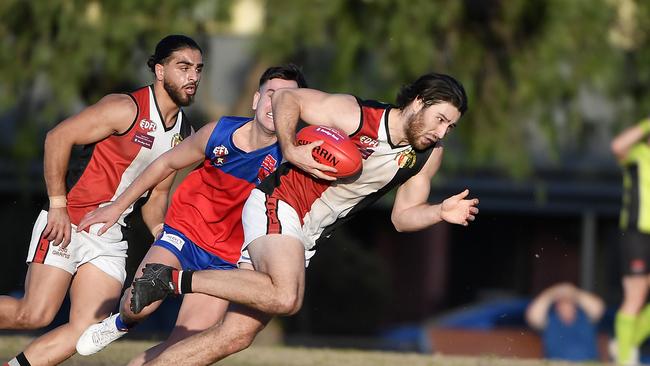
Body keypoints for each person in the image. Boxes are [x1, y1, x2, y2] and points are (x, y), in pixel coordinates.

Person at [129, 72, 480, 365]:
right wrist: (291, 147)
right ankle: (171, 280)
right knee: (286, 297)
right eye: (441, 119)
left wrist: (439, 212)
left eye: (451, 126)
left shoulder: (426, 156)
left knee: (236, 336)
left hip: (307, 232)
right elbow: (286, 100)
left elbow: (402, 218)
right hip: (280, 203)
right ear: (418, 101)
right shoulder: (356, 115)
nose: (443, 131)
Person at [73, 65, 307, 363]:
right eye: (271, 94)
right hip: (185, 233)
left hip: (228, 258)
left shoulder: (293, 158)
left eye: (288, 99)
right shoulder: (219, 132)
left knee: (184, 348)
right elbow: (165, 164)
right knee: (138, 305)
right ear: (255, 99)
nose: (277, 104)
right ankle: (120, 323)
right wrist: (118, 206)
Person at [0, 35, 203, 366]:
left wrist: (167, 238)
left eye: (198, 69)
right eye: (183, 67)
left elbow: (158, 197)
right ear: (160, 71)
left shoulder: (186, 135)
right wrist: (58, 206)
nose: (193, 77)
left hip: (109, 236)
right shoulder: (124, 108)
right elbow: (57, 138)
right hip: (68, 221)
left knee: (87, 331)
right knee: (34, 314)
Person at [610, 117, 650, 365]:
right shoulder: (638, 154)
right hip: (636, 232)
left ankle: (627, 343)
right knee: (635, 296)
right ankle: (625, 358)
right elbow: (617, 146)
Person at [525, 282, 605, 361]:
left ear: (575, 304)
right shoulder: (550, 321)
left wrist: (574, 292)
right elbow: (532, 316)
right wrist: (552, 293)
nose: (566, 306)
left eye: (569, 301)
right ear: (556, 306)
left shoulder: (585, 318)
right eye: (562, 302)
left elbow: (599, 308)